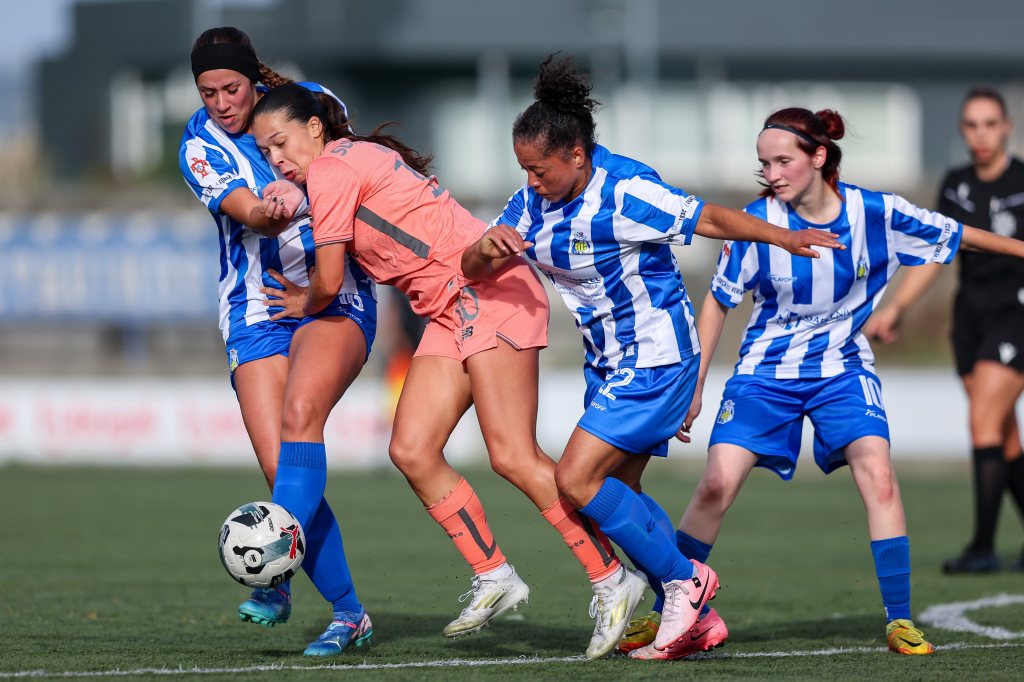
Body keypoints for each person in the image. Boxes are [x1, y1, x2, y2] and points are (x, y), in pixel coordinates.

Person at [251, 82, 640, 660]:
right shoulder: (340, 166)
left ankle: (613, 578)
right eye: (264, 151)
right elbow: (309, 199)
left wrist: (302, 302)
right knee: (411, 448)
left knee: (511, 454)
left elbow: (329, 282)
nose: (276, 157)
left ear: (315, 129)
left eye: (280, 142)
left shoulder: (335, 170)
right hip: (451, 308)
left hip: (490, 292)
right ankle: (496, 575)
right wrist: (281, 190)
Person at [474, 56, 842, 660]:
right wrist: (487, 249)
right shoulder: (530, 202)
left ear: (575, 155)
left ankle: (683, 582)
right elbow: (472, 264)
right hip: (609, 366)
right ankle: (697, 614)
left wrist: (785, 235)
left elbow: (709, 216)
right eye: (524, 170)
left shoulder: (626, 189)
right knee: (612, 489)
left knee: (575, 478)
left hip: (657, 360)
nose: (531, 181)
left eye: (539, 169)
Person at [645, 106, 1024, 661]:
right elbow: (718, 302)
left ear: (818, 157)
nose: (771, 172)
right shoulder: (757, 224)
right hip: (764, 374)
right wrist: (696, 384)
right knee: (713, 488)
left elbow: (958, 234)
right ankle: (669, 611)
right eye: (764, 162)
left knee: (879, 474)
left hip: (842, 370)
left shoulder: (876, 212)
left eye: (783, 160)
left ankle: (899, 621)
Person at [179, 27, 377, 656]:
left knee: (300, 424)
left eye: (230, 87)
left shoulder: (309, 103)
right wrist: (284, 197)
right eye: (207, 91)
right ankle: (341, 607)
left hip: (334, 292)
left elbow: (361, 168)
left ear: (253, 79)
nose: (219, 102)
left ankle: (289, 583)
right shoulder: (198, 145)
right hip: (256, 309)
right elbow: (252, 212)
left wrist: (309, 183)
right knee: (280, 470)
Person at [866, 87, 1024, 574]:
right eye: (971, 125)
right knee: (1004, 434)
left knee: (982, 419)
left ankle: (982, 548)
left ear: (1006, 128)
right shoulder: (955, 184)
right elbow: (938, 253)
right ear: (962, 130)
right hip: (970, 315)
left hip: (1015, 313)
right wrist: (897, 309)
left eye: (990, 124)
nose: (981, 134)